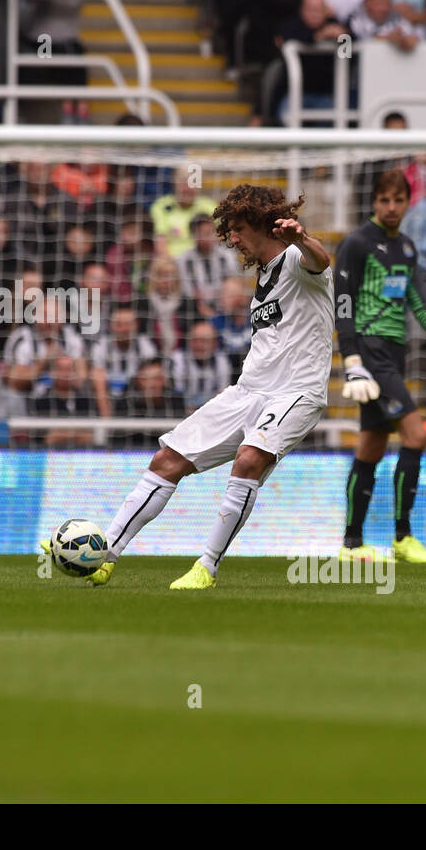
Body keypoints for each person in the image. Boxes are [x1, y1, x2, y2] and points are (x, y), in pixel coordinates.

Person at [82, 185, 334, 589]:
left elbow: (321, 260)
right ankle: (104, 555)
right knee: (167, 459)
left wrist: (301, 238)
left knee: (250, 459)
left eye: (236, 229)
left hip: (295, 391)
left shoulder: (295, 259)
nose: (232, 239)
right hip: (248, 390)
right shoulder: (264, 277)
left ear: (259, 224)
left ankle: (206, 568)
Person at [337, 168, 426, 563]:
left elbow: (419, 302)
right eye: (384, 200)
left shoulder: (407, 249)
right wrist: (352, 360)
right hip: (371, 353)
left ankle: (351, 544)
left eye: (398, 200)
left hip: (396, 354)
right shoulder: (357, 244)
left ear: (408, 203)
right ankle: (402, 536)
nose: (391, 207)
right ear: (374, 202)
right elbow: (342, 304)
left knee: (372, 446)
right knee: (416, 435)